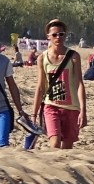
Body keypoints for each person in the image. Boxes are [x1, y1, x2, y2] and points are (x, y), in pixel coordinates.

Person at [32, 19, 86, 149]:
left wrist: (83, 110)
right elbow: (40, 86)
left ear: (65, 35)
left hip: (71, 107)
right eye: (54, 34)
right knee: (55, 143)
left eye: (61, 34)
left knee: (67, 147)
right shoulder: (42, 58)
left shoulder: (73, 56)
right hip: (51, 106)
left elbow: (79, 84)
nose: (58, 37)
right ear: (48, 37)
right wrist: (33, 114)